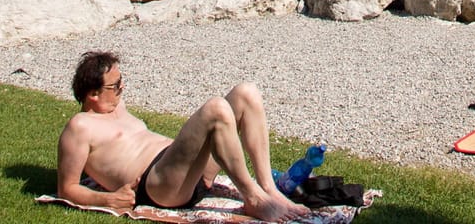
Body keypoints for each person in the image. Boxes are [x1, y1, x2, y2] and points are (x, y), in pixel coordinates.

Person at [55, 51, 306, 221]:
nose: (122, 88)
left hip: (184, 172)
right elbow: (67, 188)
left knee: (246, 93)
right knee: (216, 109)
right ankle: (253, 197)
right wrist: (109, 199)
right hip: (159, 187)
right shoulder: (80, 127)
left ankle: (268, 188)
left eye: (121, 82)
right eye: (115, 86)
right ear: (93, 95)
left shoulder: (116, 107)